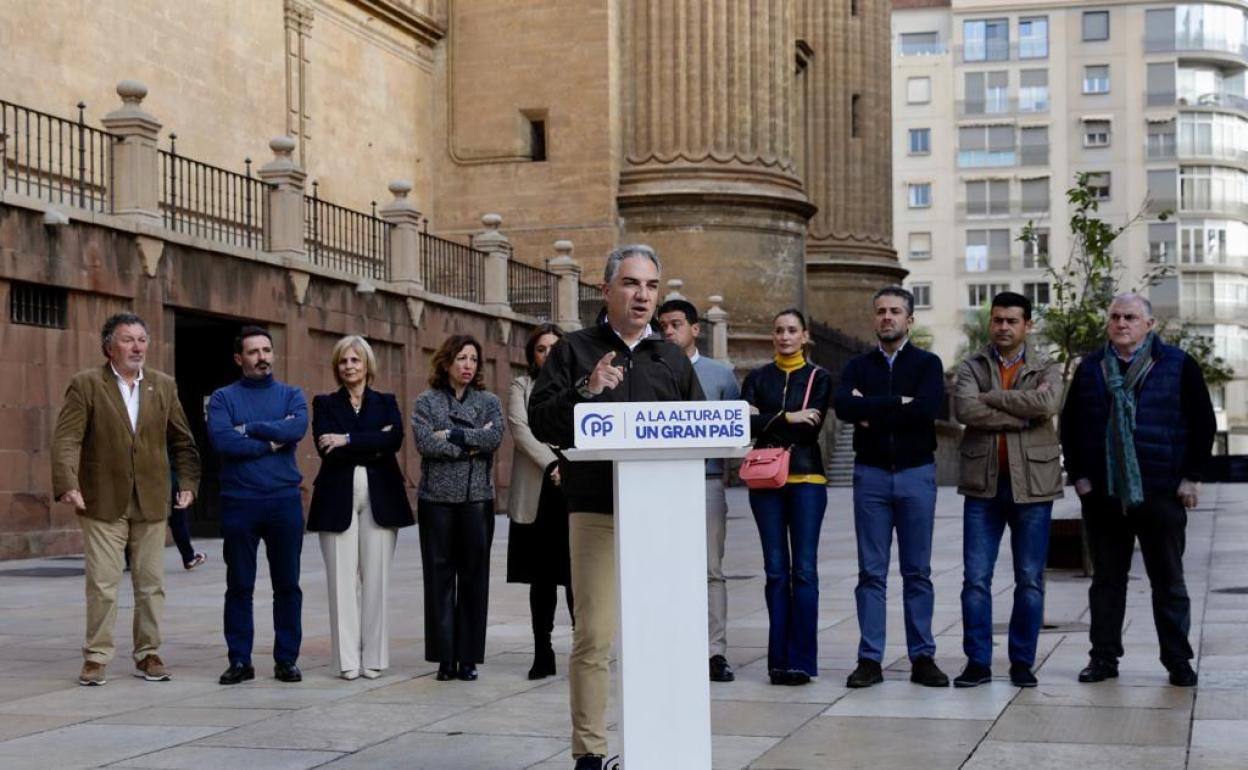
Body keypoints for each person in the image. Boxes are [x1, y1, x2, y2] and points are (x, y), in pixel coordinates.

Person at [529, 244, 703, 770]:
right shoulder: (574, 351)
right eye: (631, 283)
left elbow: (696, 426)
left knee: (660, 632)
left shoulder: (670, 357)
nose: (643, 295)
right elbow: (543, 422)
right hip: (596, 507)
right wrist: (587, 389)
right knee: (595, 634)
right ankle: (590, 751)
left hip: (660, 514)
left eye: (651, 285)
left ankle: (659, 741)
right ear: (606, 290)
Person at [1061, 293, 1214, 688]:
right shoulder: (1092, 368)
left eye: (1130, 317)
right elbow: (1072, 425)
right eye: (1114, 317)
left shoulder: (1177, 365)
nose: (1121, 323)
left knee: (1169, 582)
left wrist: (1192, 476)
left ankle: (1178, 660)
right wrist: (1080, 477)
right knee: (1107, 582)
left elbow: (1202, 424)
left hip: (1161, 491)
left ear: (1149, 324)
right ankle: (1103, 659)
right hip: (1105, 494)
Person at [52, 312, 200, 686]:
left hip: (151, 499)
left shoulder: (163, 386)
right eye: (127, 339)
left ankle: (148, 654)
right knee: (103, 584)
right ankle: (96, 657)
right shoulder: (87, 384)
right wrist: (67, 481)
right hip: (102, 500)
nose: (137, 347)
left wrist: (188, 481)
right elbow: (67, 438)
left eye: (142, 339)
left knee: (151, 584)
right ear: (109, 347)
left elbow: (182, 439)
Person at [834, 286, 949, 689]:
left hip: (916, 473)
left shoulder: (928, 364)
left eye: (895, 311)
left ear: (909, 320)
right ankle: (870, 659)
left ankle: (922, 656)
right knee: (871, 573)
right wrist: (897, 403)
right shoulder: (856, 366)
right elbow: (844, 406)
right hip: (871, 476)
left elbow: (926, 410)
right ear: (874, 318)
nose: (887, 317)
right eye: (881, 311)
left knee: (918, 571)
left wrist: (875, 409)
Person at [952, 292, 1063, 688]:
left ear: (1026, 325)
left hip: (1032, 487)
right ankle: (978, 663)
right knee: (975, 580)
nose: (1002, 327)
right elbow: (964, 409)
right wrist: (1020, 416)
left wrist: (994, 399)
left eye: (1011, 321)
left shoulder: (1046, 366)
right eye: (997, 320)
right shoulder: (971, 366)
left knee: (1030, 579)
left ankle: (1021, 662)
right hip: (983, 487)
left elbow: (1048, 402)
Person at [307, 335, 414, 681]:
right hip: (336, 498)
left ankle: (376, 657)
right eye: (343, 361)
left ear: (367, 364)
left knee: (376, 579)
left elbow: (393, 439)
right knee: (341, 582)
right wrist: (371, 440)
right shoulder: (324, 403)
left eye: (355, 360)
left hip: (381, 498)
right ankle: (347, 660)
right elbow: (326, 447)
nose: (349, 366)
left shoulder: (386, 401)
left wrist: (348, 438)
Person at [207, 325, 308, 685]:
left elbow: (295, 430)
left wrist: (247, 429)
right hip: (240, 503)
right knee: (239, 585)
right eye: (253, 352)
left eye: (266, 350)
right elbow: (222, 440)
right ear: (239, 358)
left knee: (288, 585)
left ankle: (286, 660)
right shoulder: (222, 398)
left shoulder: (291, 394)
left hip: (284, 501)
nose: (262, 357)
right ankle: (240, 660)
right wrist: (268, 441)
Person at [740, 308, 831, 686]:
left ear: (805, 336)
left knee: (804, 571)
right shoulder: (757, 377)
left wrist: (769, 419)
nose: (784, 336)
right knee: (776, 571)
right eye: (778, 330)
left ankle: (802, 661)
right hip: (766, 482)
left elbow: (813, 428)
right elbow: (742, 421)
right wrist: (790, 417)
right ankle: (778, 660)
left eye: (792, 330)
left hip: (807, 478)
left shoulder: (820, 378)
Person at [411, 334, 504, 682]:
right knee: (438, 580)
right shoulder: (426, 401)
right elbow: (423, 442)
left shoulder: (489, 401)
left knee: (474, 579)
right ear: (446, 361)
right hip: (436, 500)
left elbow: (494, 438)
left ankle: (468, 657)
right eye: (462, 358)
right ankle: (444, 657)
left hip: (476, 498)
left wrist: (449, 436)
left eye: (473, 359)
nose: (468, 365)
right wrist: (470, 440)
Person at [658, 299, 741, 683]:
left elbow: (735, 428)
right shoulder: (649, 371)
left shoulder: (720, 375)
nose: (668, 332)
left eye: (676, 324)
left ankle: (714, 651)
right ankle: (672, 644)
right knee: (667, 568)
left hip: (706, 480)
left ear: (695, 329)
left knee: (710, 568)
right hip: (662, 482)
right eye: (663, 326)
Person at [507, 323, 575, 680]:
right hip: (539, 488)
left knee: (578, 576)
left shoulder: (579, 385)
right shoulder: (522, 385)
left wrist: (566, 464)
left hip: (574, 486)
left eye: (554, 347)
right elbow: (520, 427)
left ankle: (583, 650)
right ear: (531, 355)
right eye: (541, 349)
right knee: (542, 578)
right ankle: (542, 651)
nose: (548, 354)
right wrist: (552, 463)